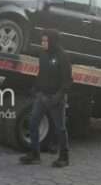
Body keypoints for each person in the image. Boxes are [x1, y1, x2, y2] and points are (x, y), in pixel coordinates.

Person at [20, 29, 72, 168]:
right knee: (33, 123)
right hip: (41, 96)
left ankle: (64, 157)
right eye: (42, 40)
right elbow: (41, 73)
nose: (42, 43)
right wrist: (35, 88)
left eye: (45, 41)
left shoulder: (63, 56)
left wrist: (58, 97)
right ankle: (35, 154)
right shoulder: (42, 54)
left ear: (52, 41)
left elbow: (67, 81)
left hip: (56, 98)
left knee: (60, 128)